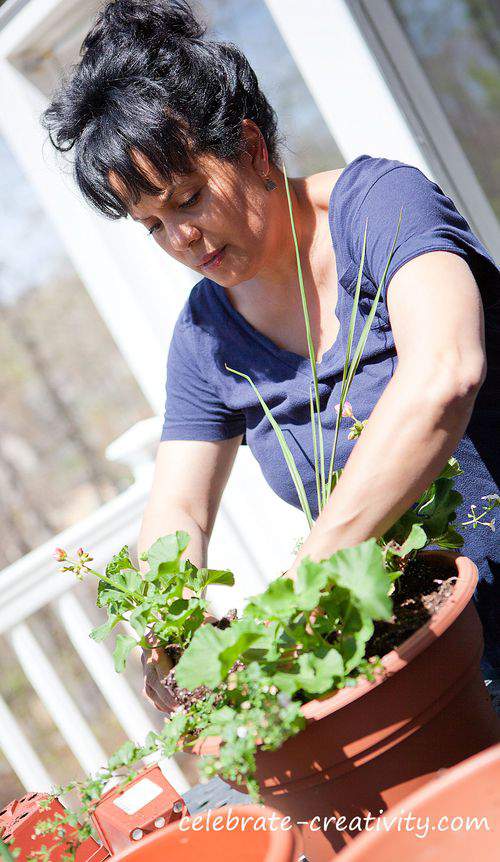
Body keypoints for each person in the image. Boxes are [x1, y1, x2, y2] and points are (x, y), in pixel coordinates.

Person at [43, 0, 499, 716]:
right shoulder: (206, 337)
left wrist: (308, 577)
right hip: (420, 653)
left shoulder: (381, 205)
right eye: (153, 225)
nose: (181, 240)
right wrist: (169, 631)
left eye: (188, 198)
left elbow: (446, 374)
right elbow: (179, 509)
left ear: (252, 148)